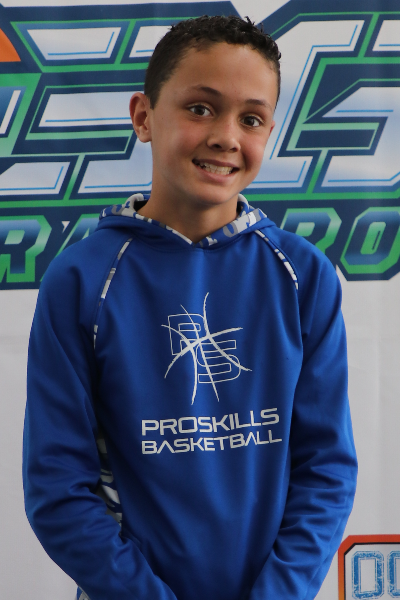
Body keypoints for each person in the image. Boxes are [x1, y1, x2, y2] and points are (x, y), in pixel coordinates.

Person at [23, 15, 357, 600]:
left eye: (251, 119)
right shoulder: (81, 280)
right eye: (201, 108)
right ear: (143, 116)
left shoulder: (302, 274)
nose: (226, 136)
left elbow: (325, 470)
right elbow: (58, 489)